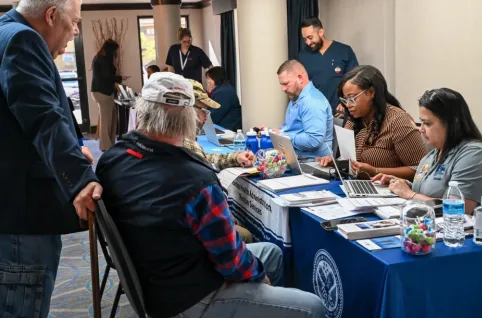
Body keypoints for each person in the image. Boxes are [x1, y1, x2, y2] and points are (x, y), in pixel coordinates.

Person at [96, 72, 325, 318]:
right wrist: (259, 277)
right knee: (313, 307)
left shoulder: (112, 159)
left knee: (271, 252)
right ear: (190, 118)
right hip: (191, 297)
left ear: (142, 111)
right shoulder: (195, 180)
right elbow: (231, 262)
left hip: (154, 277)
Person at [0, 1, 102, 317]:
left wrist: (72, 146)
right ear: (51, 16)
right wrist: (80, 180)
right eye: (73, 22)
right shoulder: (22, 39)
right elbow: (42, 115)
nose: (74, 31)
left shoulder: (4, 30)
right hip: (23, 219)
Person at [373, 88, 482, 214]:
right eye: (421, 122)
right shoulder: (433, 154)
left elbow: (458, 210)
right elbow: (429, 193)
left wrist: (408, 194)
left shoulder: (475, 155)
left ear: (451, 123)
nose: (421, 129)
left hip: (472, 232)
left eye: (427, 123)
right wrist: (401, 184)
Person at [317, 65, 428, 181]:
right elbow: (351, 160)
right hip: (357, 185)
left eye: (352, 98)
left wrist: (374, 171)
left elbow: (420, 170)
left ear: (371, 92)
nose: (348, 105)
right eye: (345, 100)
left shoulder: (398, 121)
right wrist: (336, 163)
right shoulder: (353, 118)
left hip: (391, 191)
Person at [184, 78, 254, 242]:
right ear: (188, 110)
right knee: (248, 237)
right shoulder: (184, 145)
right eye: (204, 111)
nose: (206, 119)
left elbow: (206, 157)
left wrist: (235, 157)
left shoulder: (180, 141)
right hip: (197, 236)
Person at [298, 16, 358, 117]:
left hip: (340, 112)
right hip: (314, 114)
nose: (308, 42)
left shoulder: (344, 51)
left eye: (310, 37)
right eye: (305, 39)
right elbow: (300, 87)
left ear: (320, 32)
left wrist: (346, 102)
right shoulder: (302, 56)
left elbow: (355, 80)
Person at [277, 59, 334, 158]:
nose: (283, 89)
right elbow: (289, 129)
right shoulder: (295, 96)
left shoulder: (313, 102)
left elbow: (313, 140)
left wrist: (284, 136)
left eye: (286, 84)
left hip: (313, 163)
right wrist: (271, 132)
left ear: (299, 78)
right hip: (297, 158)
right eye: (281, 84)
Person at [91, 39, 129, 151]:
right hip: (103, 92)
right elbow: (107, 76)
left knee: (111, 118)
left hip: (102, 91)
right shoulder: (104, 59)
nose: (116, 52)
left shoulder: (100, 57)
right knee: (106, 120)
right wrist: (121, 77)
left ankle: (110, 143)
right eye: (115, 50)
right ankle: (105, 145)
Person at [205, 66, 242, 131]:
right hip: (225, 127)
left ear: (215, 77)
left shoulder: (223, 92)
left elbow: (214, 116)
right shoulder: (224, 88)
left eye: (209, 78)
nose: (208, 81)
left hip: (227, 130)